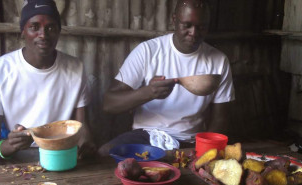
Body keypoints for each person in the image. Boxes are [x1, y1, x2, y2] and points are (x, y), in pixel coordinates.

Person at [98, 0, 235, 156]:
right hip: (146, 136)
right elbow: (108, 104)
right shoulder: (148, 51)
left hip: (190, 141)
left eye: (201, 27)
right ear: (174, 20)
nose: (194, 33)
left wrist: (204, 151)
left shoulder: (218, 61)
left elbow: (221, 118)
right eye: (187, 25)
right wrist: (148, 93)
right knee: (104, 154)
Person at [0, 0, 94, 167]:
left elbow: (82, 129)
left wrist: (86, 144)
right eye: (34, 27)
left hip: (59, 153)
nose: (43, 34)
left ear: (59, 32)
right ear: (23, 31)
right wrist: (11, 145)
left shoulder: (75, 68)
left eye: (50, 28)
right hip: (15, 156)